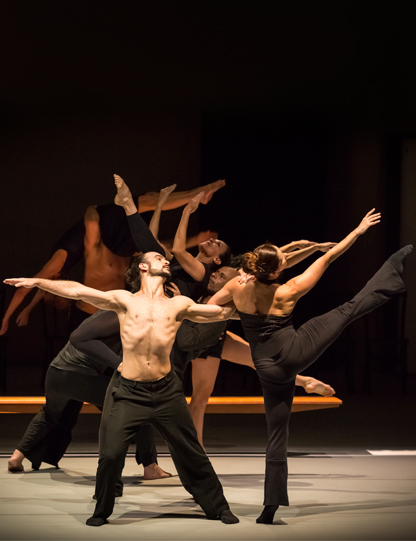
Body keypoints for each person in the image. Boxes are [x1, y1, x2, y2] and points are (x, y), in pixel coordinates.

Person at [4, 251, 239, 526]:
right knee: (111, 453)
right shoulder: (124, 300)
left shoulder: (179, 304)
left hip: (167, 391)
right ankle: (102, 510)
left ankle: (218, 507)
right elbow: (78, 291)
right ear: (143, 267)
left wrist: (254, 297)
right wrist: (38, 282)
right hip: (129, 392)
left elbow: (221, 312)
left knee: (191, 453)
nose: (165, 260)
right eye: (158, 257)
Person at [208, 209, 412, 524]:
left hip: (266, 367)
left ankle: (270, 506)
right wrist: (358, 230)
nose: (286, 261)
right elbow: (329, 256)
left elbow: (211, 307)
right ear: (277, 270)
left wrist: (238, 313)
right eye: (283, 260)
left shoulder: (237, 285)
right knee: (347, 310)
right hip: (295, 351)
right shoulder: (289, 289)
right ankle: (392, 274)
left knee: (277, 433)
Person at [0, 178, 226, 334]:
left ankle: (198, 194)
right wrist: (26, 310)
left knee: (147, 201)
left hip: (102, 225)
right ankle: (196, 195)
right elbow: (158, 246)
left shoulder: (66, 256)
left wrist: (6, 318)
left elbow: (30, 287)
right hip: (102, 304)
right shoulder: (119, 253)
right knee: (149, 206)